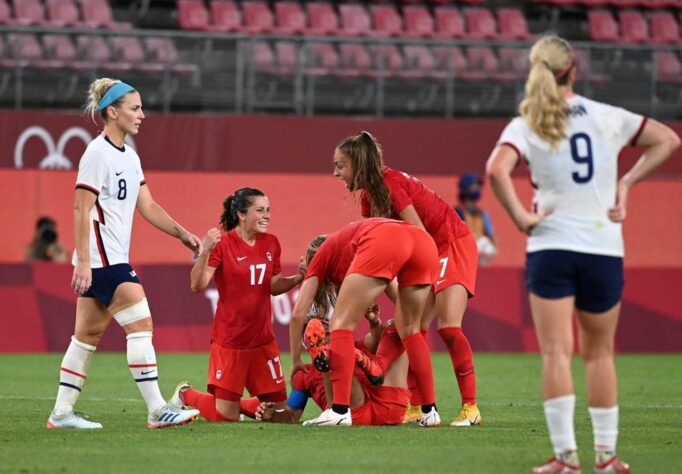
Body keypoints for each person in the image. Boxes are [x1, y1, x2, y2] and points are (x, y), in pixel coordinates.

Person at [485, 35, 680, 474]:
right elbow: (667, 140)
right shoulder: (605, 116)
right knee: (600, 354)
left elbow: (496, 168)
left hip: (551, 245)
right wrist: (625, 184)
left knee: (556, 353)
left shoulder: (527, 122)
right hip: (602, 248)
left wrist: (520, 217)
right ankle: (607, 457)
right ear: (572, 70)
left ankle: (566, 458)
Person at [47, 78, 202, 429]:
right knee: (142, 325)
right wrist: (84, 262)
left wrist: (181, 233)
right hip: (104, 261)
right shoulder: (96, 153)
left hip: (108, 258)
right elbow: (79, 208)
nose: (142, 115)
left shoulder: (130, 156)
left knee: (86, 337)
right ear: (112, 112)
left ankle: (61, 414)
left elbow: (146, 205)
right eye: (135, 108)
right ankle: (157, 409)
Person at [332, 132, 482, 427]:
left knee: (449, 327)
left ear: (357, 165)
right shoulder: (369, 198)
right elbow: (377, 253)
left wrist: (405, 285)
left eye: (340, 166)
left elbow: (418, 233)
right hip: (426, 250)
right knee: (408, 328)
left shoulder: (391, 184)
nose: (336, 173)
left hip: (450, 243)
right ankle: (417, 406)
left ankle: (470, 408)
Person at [289, 219, 440, 427]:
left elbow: (298, 314)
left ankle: (339, 411)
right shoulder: (352, 245)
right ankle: (430, 411)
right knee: (410, 328)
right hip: (423, 240)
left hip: (361, 405)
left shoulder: (326, 256)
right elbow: (400, 302)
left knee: (339, 325)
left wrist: (295, 358)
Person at [172, 188, 305, 422]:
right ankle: (186, 395)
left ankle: (246, 407)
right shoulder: (223, 244)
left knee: (280, 413)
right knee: (226, 419)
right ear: (242, 215)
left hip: (262, 340)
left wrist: (297, 279)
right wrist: (205, 251)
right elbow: (198, 284)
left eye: (268, 210)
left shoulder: (272, 243)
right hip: (230, 341)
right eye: (260, 210)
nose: (267, 216)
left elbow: (272, 285)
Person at [258, 311, 410, 426]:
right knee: (338, 357)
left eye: (328, 333)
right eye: (319, 338)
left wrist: (374, 322)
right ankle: (333, 358)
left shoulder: (353, 344)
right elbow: (292, 414)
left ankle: (374, 364)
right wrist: (273, 415)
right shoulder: (304, 374)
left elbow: (377, 339)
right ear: (308, 345)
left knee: (398, 326)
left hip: (387, 404)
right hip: (351, 410)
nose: (326, 337)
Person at [454, 173, 497, 266]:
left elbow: (491, 236)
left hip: (480, 255)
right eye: (474, 186)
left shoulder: (482, 214)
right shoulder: (457, 212)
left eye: (478, 186)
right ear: (465, 188)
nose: (478, 188)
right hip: (463, 253)